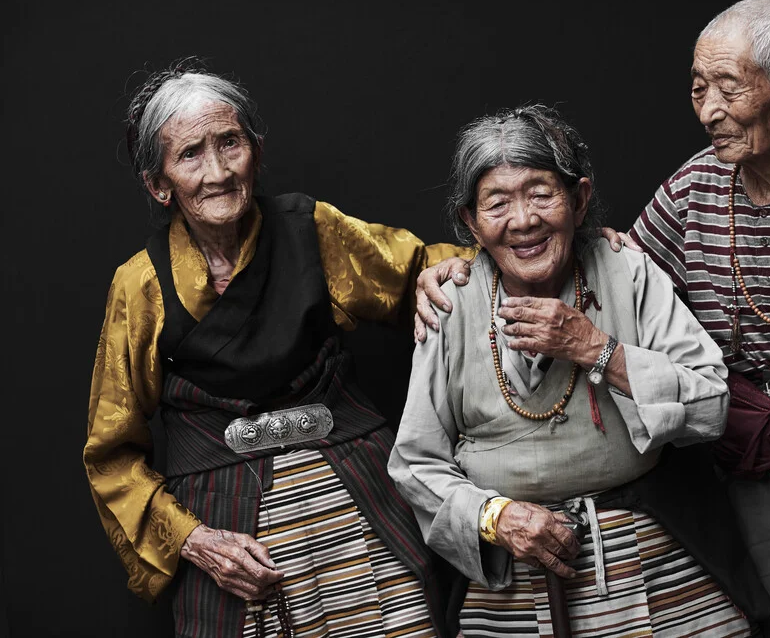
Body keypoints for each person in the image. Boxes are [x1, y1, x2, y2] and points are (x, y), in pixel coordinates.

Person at [416, 0, 770, 638]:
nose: (709, 111)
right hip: (758, 460)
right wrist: (450, 267)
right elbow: (606, 258)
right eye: (697, 90)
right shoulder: (693, 189)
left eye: (728, 88)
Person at [83, 60, 476, 637]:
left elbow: (426, 268)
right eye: (190, 154)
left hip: (358, 499)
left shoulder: (311, 228)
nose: (217, 171)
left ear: (256, 152)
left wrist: (573, 252)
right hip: (230, 531)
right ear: (159, 183)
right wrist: (196, 540)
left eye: (230, 143)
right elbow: (111, 455)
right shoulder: (140, 286)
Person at [389, 104, 770, 638]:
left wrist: (596, 349)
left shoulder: (625, 268)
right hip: (512, 573)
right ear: (470, 224)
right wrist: (497, 517)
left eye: (542, 194)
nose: (523, 220)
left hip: (650, 553)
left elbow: (711, 404)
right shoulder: (449, 303)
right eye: (497, 203)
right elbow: (414, 462)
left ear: (580, 198)